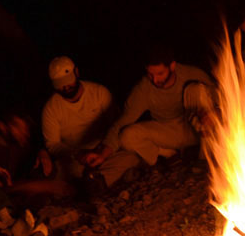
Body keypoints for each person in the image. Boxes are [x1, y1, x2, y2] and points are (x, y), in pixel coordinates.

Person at [83, 45, 215, 168]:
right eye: (150, 74)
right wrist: (102, 154)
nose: (155, 80)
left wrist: (215, 113)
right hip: (169, 131)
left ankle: (207, 156)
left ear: (172, 66)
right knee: (127, 136)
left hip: (199, 125)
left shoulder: (191, 74)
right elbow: (122, 122)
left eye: (160, 74)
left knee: (196, 90)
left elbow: (219, 95)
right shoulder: (144, 89)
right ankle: (168, 154)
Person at [38, 56, 141, 190]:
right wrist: (77, 154)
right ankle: (94, 182)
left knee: (131, 156)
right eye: (60, 84)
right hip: (75, 156)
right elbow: (52, 144)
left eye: (68, 81)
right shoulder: (51, 108)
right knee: (58, 171)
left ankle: (95, 183)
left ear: (77, 72)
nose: (66, 87)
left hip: (103, 149)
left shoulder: (99, 93)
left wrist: (103, 152)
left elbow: (116, 126)